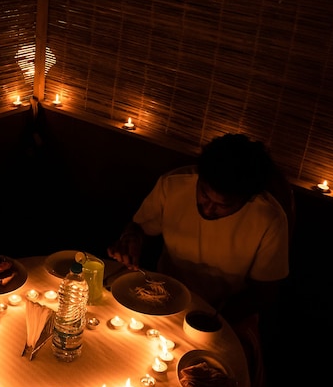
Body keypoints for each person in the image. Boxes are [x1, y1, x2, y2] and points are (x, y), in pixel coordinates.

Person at [107, 133, 290, 331]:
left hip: (229, 314)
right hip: (162, 298)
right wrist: (130, 239)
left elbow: (264, 293)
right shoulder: (174, 185)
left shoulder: (269, 218)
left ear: (248, 198)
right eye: (204, 195)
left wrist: (209, 317)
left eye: (223, 205)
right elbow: (139, 227)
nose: (208, 209)